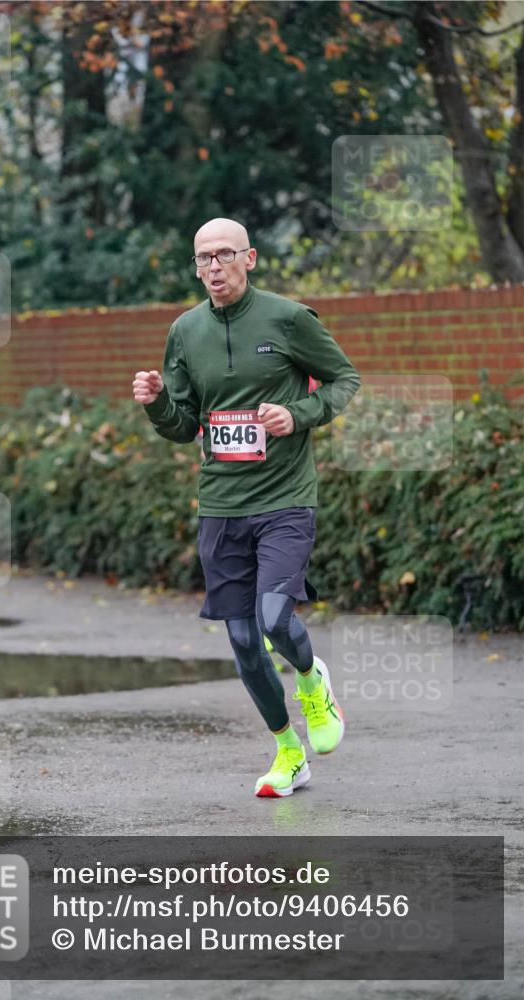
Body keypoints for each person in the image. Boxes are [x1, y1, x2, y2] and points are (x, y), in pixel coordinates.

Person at [132, 217, 360, 798]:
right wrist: (158, 404)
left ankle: (312, 681)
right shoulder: (185, 331)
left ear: (249, 258)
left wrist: (298, 414)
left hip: (285, 500)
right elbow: (185, 428)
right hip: (221, 506)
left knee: (274, 618)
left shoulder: (289, 318)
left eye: (224, 254)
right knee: (240, 640)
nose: (213, 266)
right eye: (202, 257)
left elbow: (343, 379)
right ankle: (289, 753)